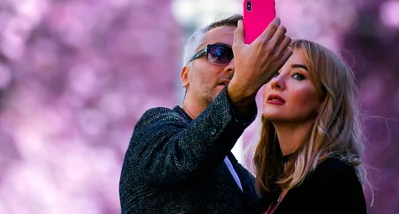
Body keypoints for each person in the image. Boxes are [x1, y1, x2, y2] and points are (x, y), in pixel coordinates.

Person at [119, 14, 293, 213]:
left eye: (242, 57)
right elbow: (180, 158)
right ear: (185, 76)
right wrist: (240, 92)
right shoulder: (156, 124)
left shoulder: (235, 170)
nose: (236, 67)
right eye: (219, 54)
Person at [253, 39, 367, 214]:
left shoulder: (334, 179)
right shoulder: (270, 191)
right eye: (275, 72)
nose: (277, 82)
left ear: (324, 100)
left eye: (298, 75)